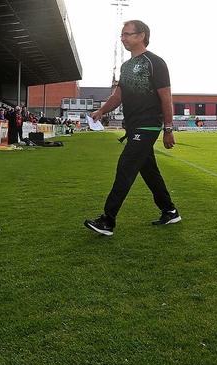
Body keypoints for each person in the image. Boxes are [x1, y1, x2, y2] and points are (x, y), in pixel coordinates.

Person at [84, 20, 179, 236]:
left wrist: (168, 128)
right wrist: (101, 111)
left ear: (141, 36)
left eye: (127, 34)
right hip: (133, 125)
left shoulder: (156, 62)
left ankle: (108, 220)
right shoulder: (126, 67)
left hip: (148, 125)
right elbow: (118, 96)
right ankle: (170, 210)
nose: (123, 38)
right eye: (122, 35)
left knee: (125, 166)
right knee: (149, 171)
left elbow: (166, 98)